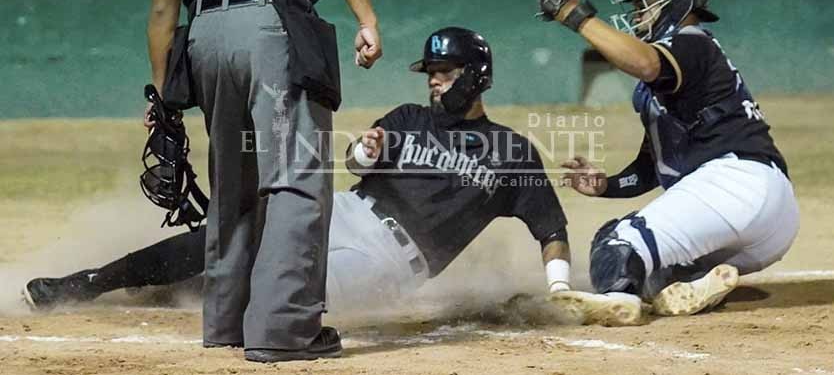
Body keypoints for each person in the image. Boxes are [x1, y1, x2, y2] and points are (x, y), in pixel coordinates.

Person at [25, 28, 573, 321]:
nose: (434, 83)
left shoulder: (512, 152)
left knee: (272, 299)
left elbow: (550, 228)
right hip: (345, 211)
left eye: (444, 73)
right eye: (429, 74)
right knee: (230, 238)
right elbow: (358, 163)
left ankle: (177, 295)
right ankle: (91, 283)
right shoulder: (408, 119)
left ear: (476, 77)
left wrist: (561, 289)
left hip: (389, 262)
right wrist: (365, 150)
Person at [533, 0, 798, 326]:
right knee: (656, 273)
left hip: (734, 186)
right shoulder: (675, 74)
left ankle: (616, 301)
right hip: (768, 215)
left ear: (674, 1)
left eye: (643, 4)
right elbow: (652, 167)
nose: (637, 16)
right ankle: (695, 283)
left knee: (616, 244)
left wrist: (573, 12)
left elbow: (645, 63)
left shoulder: (692, 42)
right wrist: (606, 185)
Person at [143, 0, 382, 362]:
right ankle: (283, 329)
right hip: (272, 26)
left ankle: (225, 322)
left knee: (234, 185)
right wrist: (366, 19)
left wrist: (163, 99)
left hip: (205, 37)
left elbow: (163, 6)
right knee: (296, 178)